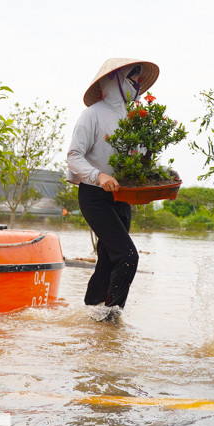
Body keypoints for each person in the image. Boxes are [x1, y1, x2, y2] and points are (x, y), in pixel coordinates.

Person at [66, 58, 160, 322]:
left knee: (108, 260)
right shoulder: (92, 114)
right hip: (94, 196)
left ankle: (89, 316)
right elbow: (74, 156)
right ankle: (111, 318)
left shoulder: (135, 119)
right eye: (133, 76)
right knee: (128, 256)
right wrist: (99, 176)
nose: (137, 82)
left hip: (122, 197)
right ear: (114, 80)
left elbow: (139, 161)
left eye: (138, 78)